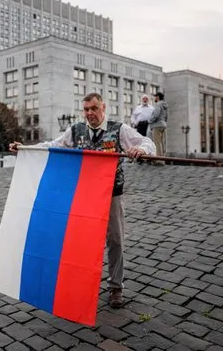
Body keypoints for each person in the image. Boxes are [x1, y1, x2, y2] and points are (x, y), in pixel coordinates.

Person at [9, 93, 155, 309]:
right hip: (84, 195)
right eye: (86, 109)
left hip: (112, 193)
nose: (90, 113)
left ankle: (116, 287)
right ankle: (79, 284)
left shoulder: (119, 129)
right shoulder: (75, 130)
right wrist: (25, 149)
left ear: (103, 107)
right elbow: (54, 145)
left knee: (116, 240)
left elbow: (147, 141)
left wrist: (140, 149)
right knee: (80, 241)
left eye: (94, 109)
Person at [149, 92, 168, 163]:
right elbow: (166, 116)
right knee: (162, 142)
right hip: (163, 125)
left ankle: (159, 160)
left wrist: (150, 120)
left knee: (157, 143)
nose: (154, 98)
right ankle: (163, 158)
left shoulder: (158, 104)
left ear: (157, 97)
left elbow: (156, 114)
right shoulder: (164, 105)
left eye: (155, 97)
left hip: (157, 125)